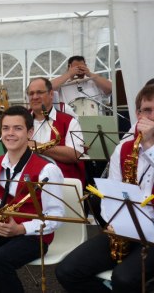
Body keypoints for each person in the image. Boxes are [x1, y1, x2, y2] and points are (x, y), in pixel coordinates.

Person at [55, 84, 154, 293]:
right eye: (147, 110)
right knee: (66, 271)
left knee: (124, 279)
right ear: (137, 114)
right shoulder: (124, 148)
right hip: (126, 230)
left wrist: (150, 148)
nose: (152, 116)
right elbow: (113, 193)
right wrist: (113, 222)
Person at [0, 105, 64, 293]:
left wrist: (20, 229)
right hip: (4, 228)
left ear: (30, 132)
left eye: (18, 128)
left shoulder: (47, 169)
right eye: (6, 128)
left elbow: (56, 216)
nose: (10, 134)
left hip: (35, 236)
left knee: (0, 261)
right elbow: (2, 199)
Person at [27, 77, 85, 184]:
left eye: (39, 92)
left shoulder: (69, 121)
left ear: (51, 94)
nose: (34, 97)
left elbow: (76, 154)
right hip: (28, 182)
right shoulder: (20, 121)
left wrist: (37, 146)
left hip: (61, 183)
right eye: (31, 93)